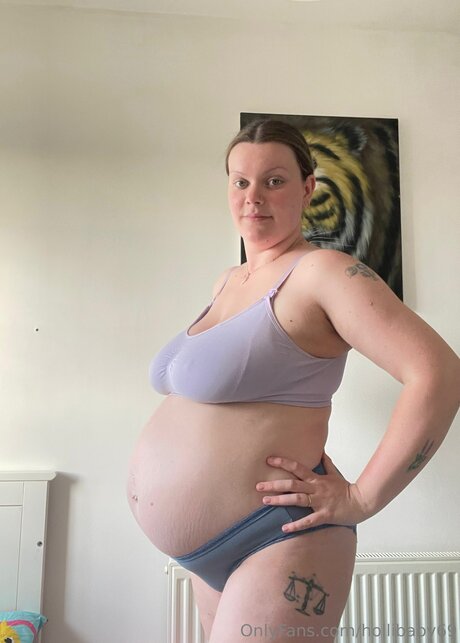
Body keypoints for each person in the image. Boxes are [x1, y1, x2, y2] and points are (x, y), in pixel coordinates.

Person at [127, 119, 460, 643]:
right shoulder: (228, 281)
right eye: (240, 181)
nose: (253, 197)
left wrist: (362, 498)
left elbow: (438, 372)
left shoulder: (324, 272)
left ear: (307, 188)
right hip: (209, 554)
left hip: (278, 539)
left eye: (274, 181)